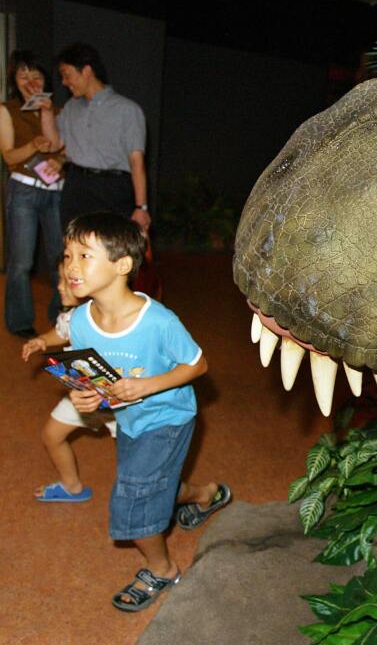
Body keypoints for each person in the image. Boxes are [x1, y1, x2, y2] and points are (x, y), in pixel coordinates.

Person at [64, 212, 229, 612]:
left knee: (133, 499)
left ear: (122, 265)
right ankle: (206, 494)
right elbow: (89, 378)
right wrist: (84, 399)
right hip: (129, 421)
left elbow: (198, 364)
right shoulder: (80, 321)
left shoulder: (157, 321)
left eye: (85, 256)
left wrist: (148, 385)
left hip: (168, 419)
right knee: (154, 485)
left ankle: (163, 569)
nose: (71, 265)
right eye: (67, 255)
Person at [23, 257, 117, 502]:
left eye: (67, 281)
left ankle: (184, 493)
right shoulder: (69, 317)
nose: (59, 287)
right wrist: (43, 340)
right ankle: (70, 486)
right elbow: (59, 333)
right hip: (83, 395)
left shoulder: (113, 319)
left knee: (141, 462)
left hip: (120, 405)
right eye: (59, 280)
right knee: (52, 435)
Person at [38, 42, 151, 232]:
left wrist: (141, 207)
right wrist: (47, 112)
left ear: (87, 71)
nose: (64, 82)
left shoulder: (127, 109)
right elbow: (54, 143)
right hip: (76, 186)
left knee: (110, 249)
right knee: (73, 246)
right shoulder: (71, 107)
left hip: (112, 188)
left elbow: (136, 162)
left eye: (67, 75)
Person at [1, 50, 65, 338]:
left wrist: (59, 160)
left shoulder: (58, 110)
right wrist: (33, 147)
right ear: (14, 79)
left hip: (56, 190)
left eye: (36, 75)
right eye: (23, 75)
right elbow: (8, 155)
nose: (30, 81)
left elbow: (63, 150)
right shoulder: (7, 109)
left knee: (60, 259)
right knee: (21, 262)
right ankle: (20, 321)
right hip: (24, 189)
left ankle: (61, 316)